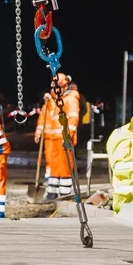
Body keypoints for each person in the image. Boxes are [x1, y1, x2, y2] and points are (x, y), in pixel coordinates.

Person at [35, 72, 80, 201]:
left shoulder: (70, 99)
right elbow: (44, 117)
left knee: (64, 167)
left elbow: (72, 119)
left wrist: (68, 136)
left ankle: (64, 193)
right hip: (53, 138)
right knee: (54, 166)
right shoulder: (52, 101)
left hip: (63, 138)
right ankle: (52, 192)